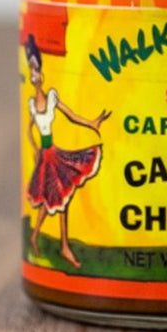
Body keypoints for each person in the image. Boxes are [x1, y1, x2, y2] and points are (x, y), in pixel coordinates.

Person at [24, 35, 110, 268]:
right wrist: (34, 149)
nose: (36, 76)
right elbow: (31, 128)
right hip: (45, 156)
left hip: (53, 153)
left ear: (41, 75)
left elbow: (71, 116)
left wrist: (92, 123)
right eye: (32, 73)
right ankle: (44, 239)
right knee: (52, 198)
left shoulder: (52, 98)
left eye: (37, 72)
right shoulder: (32, 104)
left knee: (56, 198)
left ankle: (56, 243)